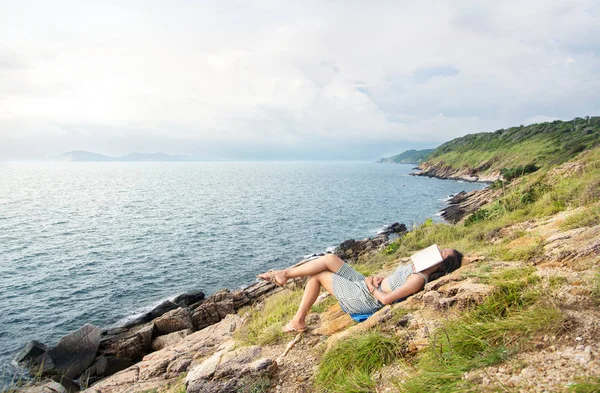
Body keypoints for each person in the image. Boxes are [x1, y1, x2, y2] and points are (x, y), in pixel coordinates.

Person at [257, 247, 463, 332]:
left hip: (366, 297)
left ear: (442, 264)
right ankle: (284, 273)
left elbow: (387, 300)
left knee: (317, 276)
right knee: (329, 259)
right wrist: (377, 279)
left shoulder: (419, 278)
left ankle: (298, 321)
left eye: (442, 253)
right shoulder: (417, 268)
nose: (437, 250)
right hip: (369, 285)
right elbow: (394, 282)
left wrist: (371, 288)